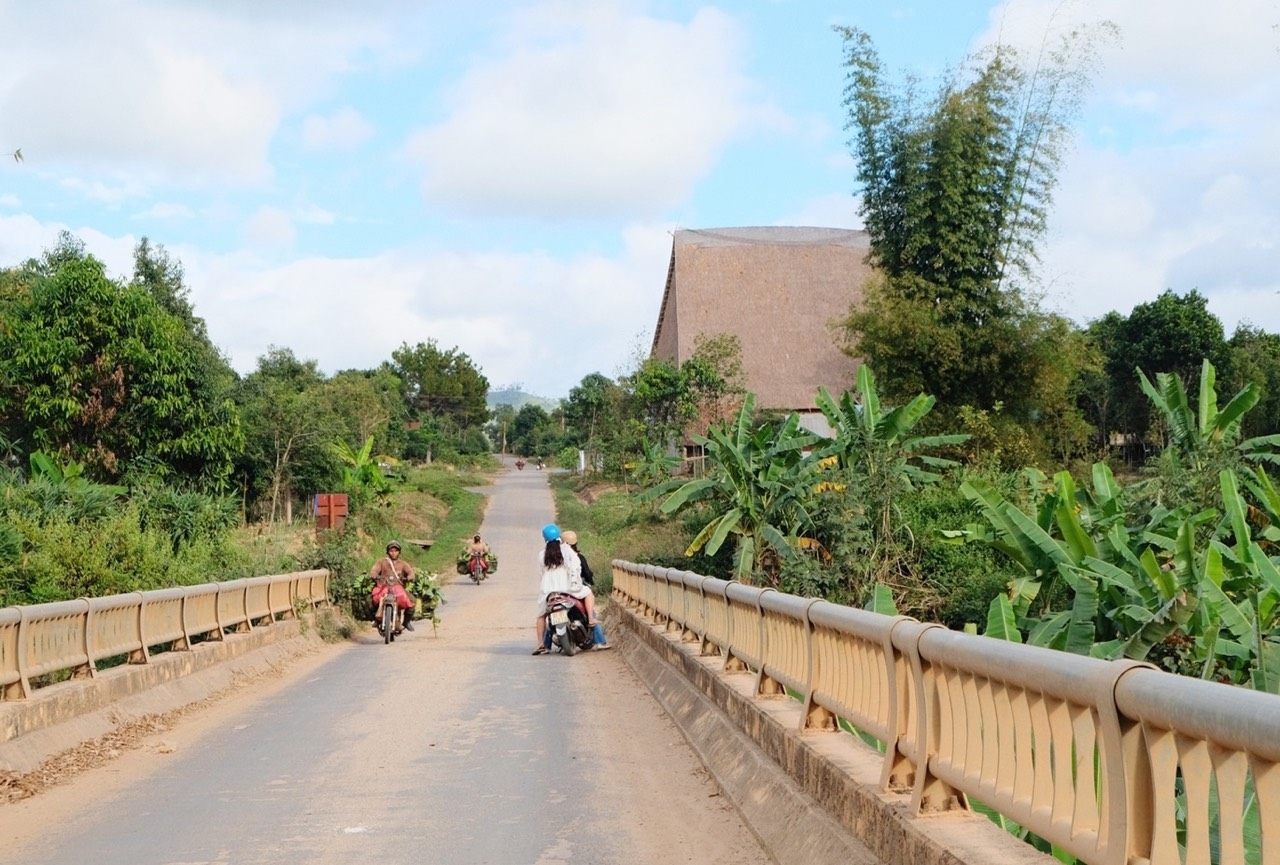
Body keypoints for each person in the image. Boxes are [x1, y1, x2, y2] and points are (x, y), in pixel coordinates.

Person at [532, 523, 609, 654]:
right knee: (589, 593)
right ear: (559, 537)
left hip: (549, 591)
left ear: (544, 539)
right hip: (569, 588)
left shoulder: (541, 555)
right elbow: (576, 568)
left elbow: (542, 574)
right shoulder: (567, 551)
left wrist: (546, 587)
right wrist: (576, 582)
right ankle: (590, 618)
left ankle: (541, 644)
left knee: (541, 616)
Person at [561, 530, 609, 648]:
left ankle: (545, 643)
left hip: (559, 589)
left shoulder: (556, 557)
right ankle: (600, 641)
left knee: (548, 615)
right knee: (590, 612)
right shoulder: (578, 557)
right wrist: (591, 580)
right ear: (575, 543)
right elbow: (587, 573)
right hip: (576, 589)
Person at [370, 541, 415, 632]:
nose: (393, 553)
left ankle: (406, 622)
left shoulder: (403, 564)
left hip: (398, 587)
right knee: (372, 600)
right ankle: (376, 619)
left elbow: (411, 573)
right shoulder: (382, 562)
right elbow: (374, 571)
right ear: (387, 552)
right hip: (383, 586)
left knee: (412, 602)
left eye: (395, 551)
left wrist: (408, 578)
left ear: (399, 552)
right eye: (391, 551)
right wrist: (375, 575)